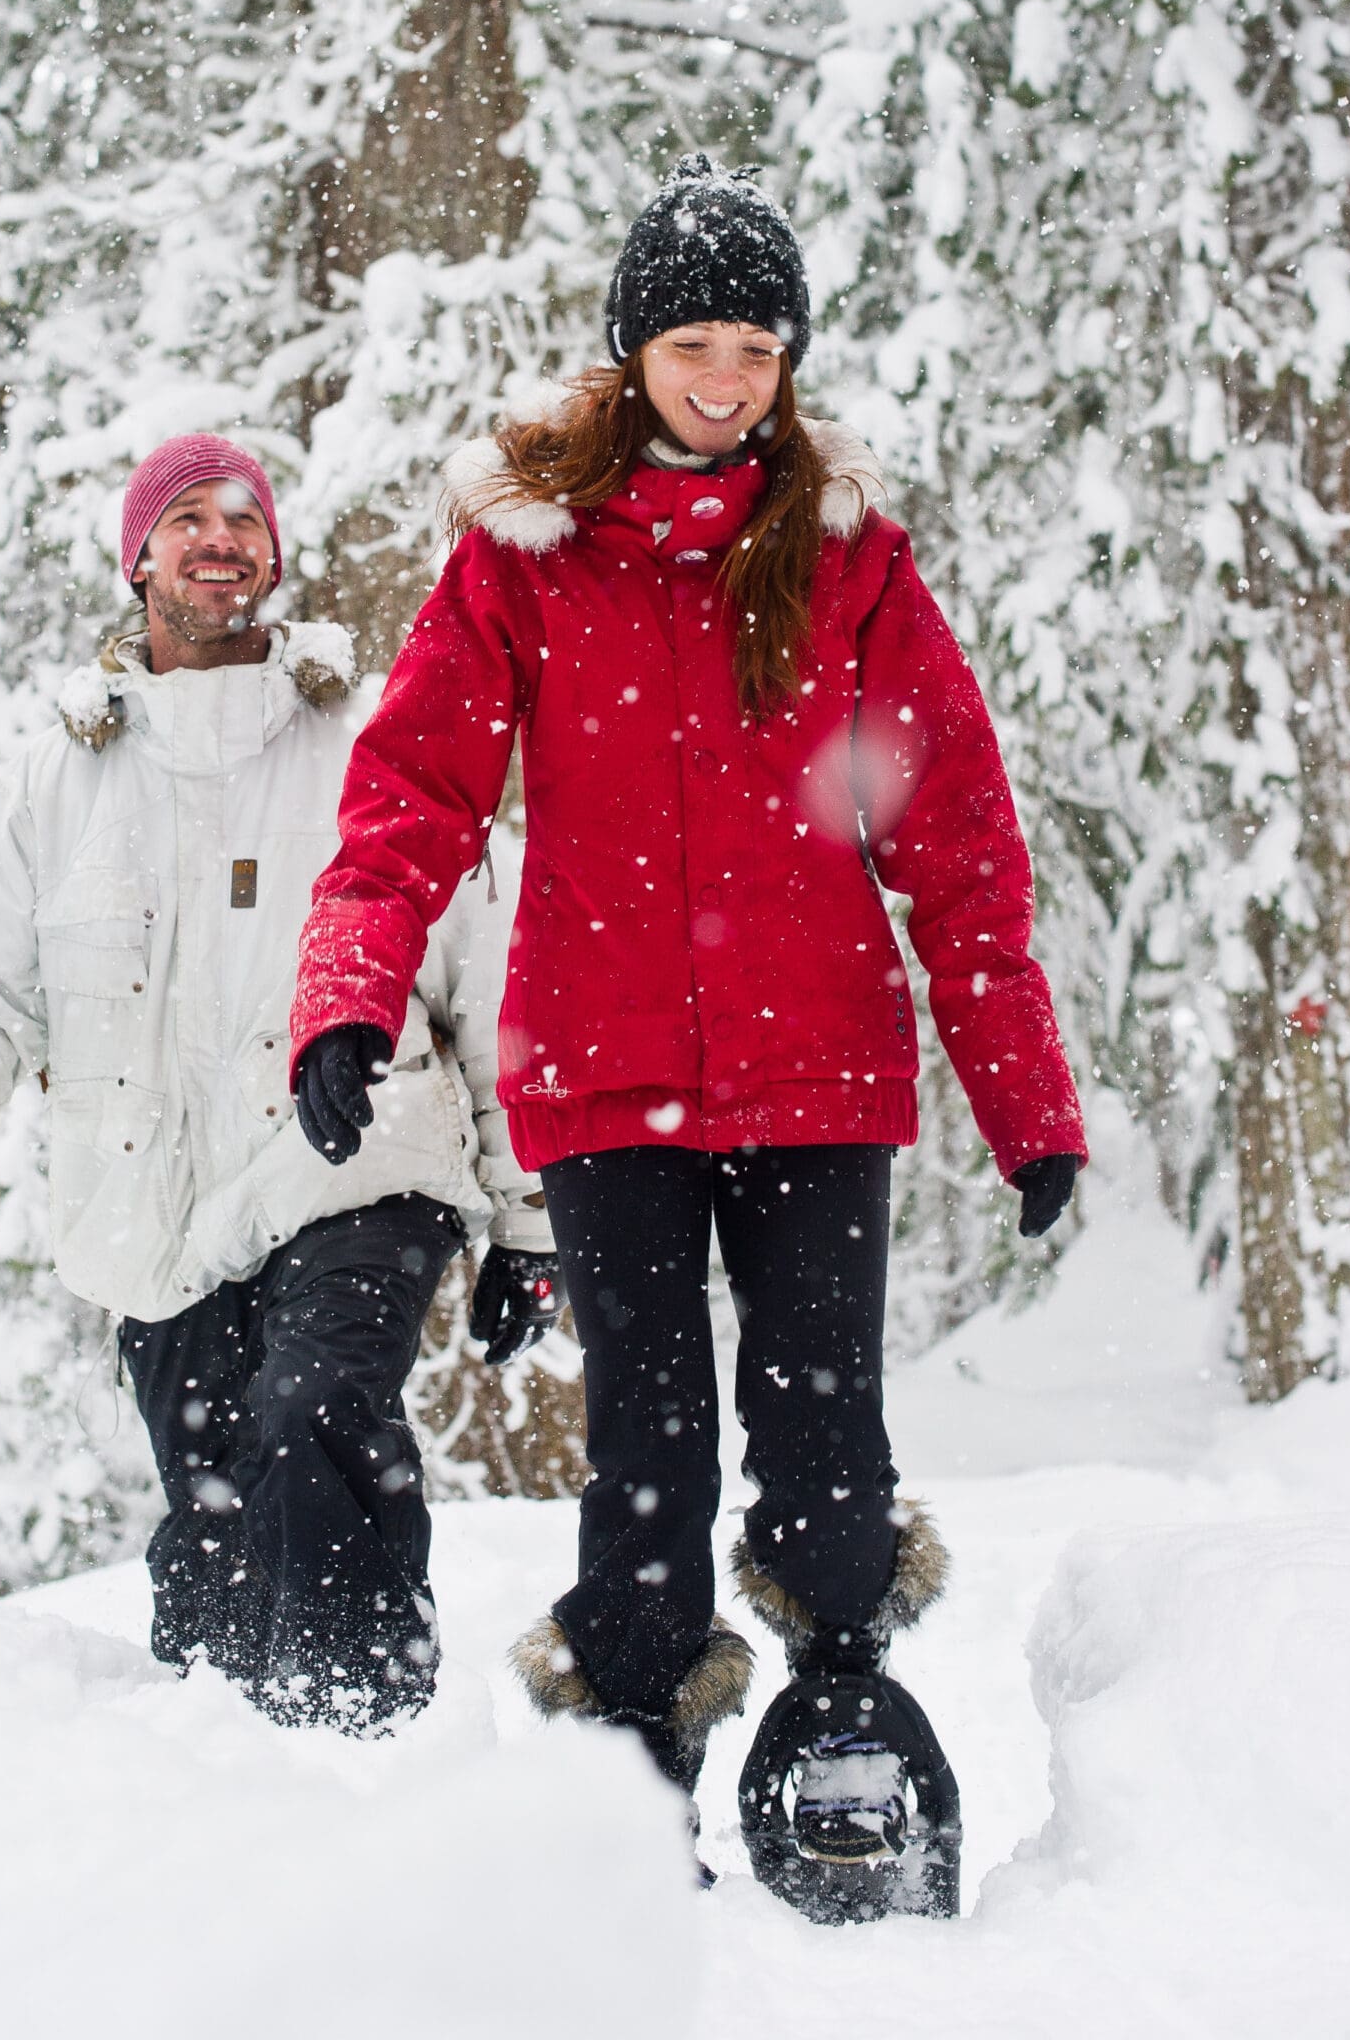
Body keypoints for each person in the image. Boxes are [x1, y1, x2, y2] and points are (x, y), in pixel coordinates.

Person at [289, 155, 1086, 1838]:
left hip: (820, 1069)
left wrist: (1028, 1104)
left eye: (760, 350)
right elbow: (410, 797)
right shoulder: (527, 562)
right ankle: (634, 1763)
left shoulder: (848, 556)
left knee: (825, 1433)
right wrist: (350, 996)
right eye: (698, 345)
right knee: (642, 1451)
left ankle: (844, 1721)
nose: (729, 384)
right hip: (604, 1072)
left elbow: (956, 840)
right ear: (634, 348)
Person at [0, 433, 559, 1735]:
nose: (220, 538)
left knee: (317, 1413)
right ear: (138, 558)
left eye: (244, 519)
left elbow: (495, 992)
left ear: (274, 554)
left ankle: (364, 1745)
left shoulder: (371, 743)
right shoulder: (57, 784)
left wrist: (529, 1228)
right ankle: (222, 1791)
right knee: (214, 1513)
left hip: (355, 1162)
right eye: (188, 518)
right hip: (154, 1213)